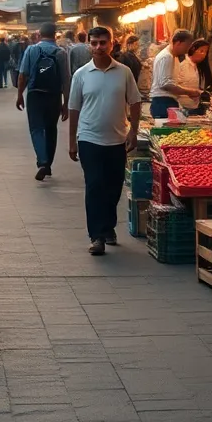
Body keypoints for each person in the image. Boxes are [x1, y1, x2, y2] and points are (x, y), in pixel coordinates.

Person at [67, 25, 141, 256]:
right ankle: (96, 236)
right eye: (94, 43)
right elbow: (73, 109)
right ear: (89, 45)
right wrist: (72, 141)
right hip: (89, 138)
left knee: (114, 187)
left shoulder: (124, 72)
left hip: (117, 139)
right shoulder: (81, 75)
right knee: (94, 185)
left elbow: (136, 102)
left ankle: (108, 227)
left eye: (103, 42)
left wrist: (133, 132)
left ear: (112, 43)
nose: (99, 47)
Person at [16, 22, 70, 181]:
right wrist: (65, 103)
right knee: (51, 129)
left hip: (34, 94)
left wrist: (20, 94)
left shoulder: (32, 50)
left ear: (39, 34)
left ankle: (43, 162)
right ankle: (49, 165)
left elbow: (22, 75)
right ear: (55, 35)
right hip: (53, 96)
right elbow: (66, 80)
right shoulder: (61, 52)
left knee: (36, 129)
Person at [149, 29, 199, 118]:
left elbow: (172, 82)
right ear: (178, 43)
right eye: (186, 46)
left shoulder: (173, 57)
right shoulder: (167, 56)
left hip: (167, 101)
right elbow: (166, 84)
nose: (187, 50)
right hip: (163, 102)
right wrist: (189, 92)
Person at [176, 38, 212, 115]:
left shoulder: (199, 67)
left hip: (196, 107)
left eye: (206, 52)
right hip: (181, 108)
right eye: (201, 51)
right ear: (193, 49)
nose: (203, 55)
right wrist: (191, 92)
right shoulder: (181, 64)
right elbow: (173, 86)